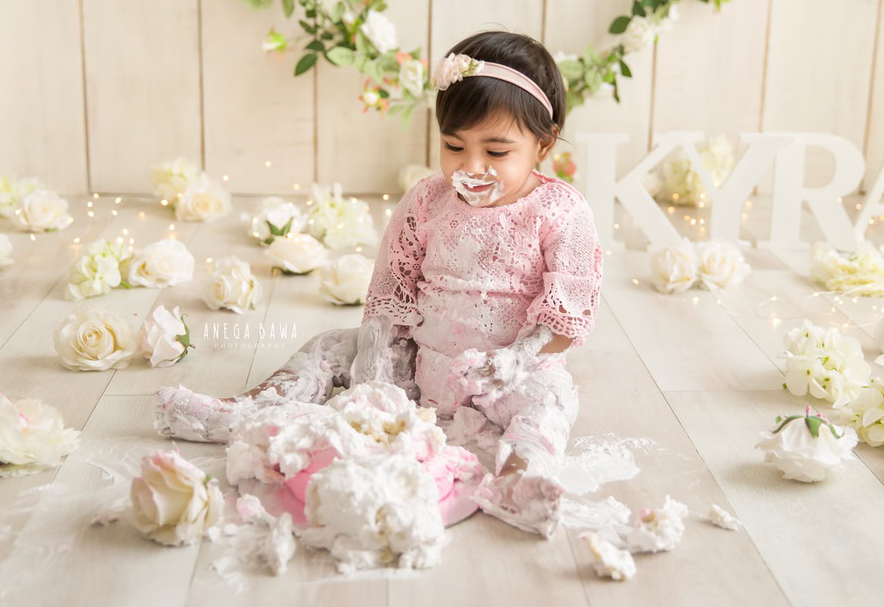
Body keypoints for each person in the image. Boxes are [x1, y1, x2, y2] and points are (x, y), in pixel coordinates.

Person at [154, 30, 604, 536]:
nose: (471, 166)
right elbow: (394, 285)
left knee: (551, 403)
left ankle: (519, 481)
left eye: (496, 152)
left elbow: (568, 311)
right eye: (454, 146)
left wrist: (518, 359)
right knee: (328, 346)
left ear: (543, 144)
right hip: (422, 359)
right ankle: (246, 410)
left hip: (511, 373)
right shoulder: (429, 200)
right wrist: (380, 362)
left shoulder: (560, 212)